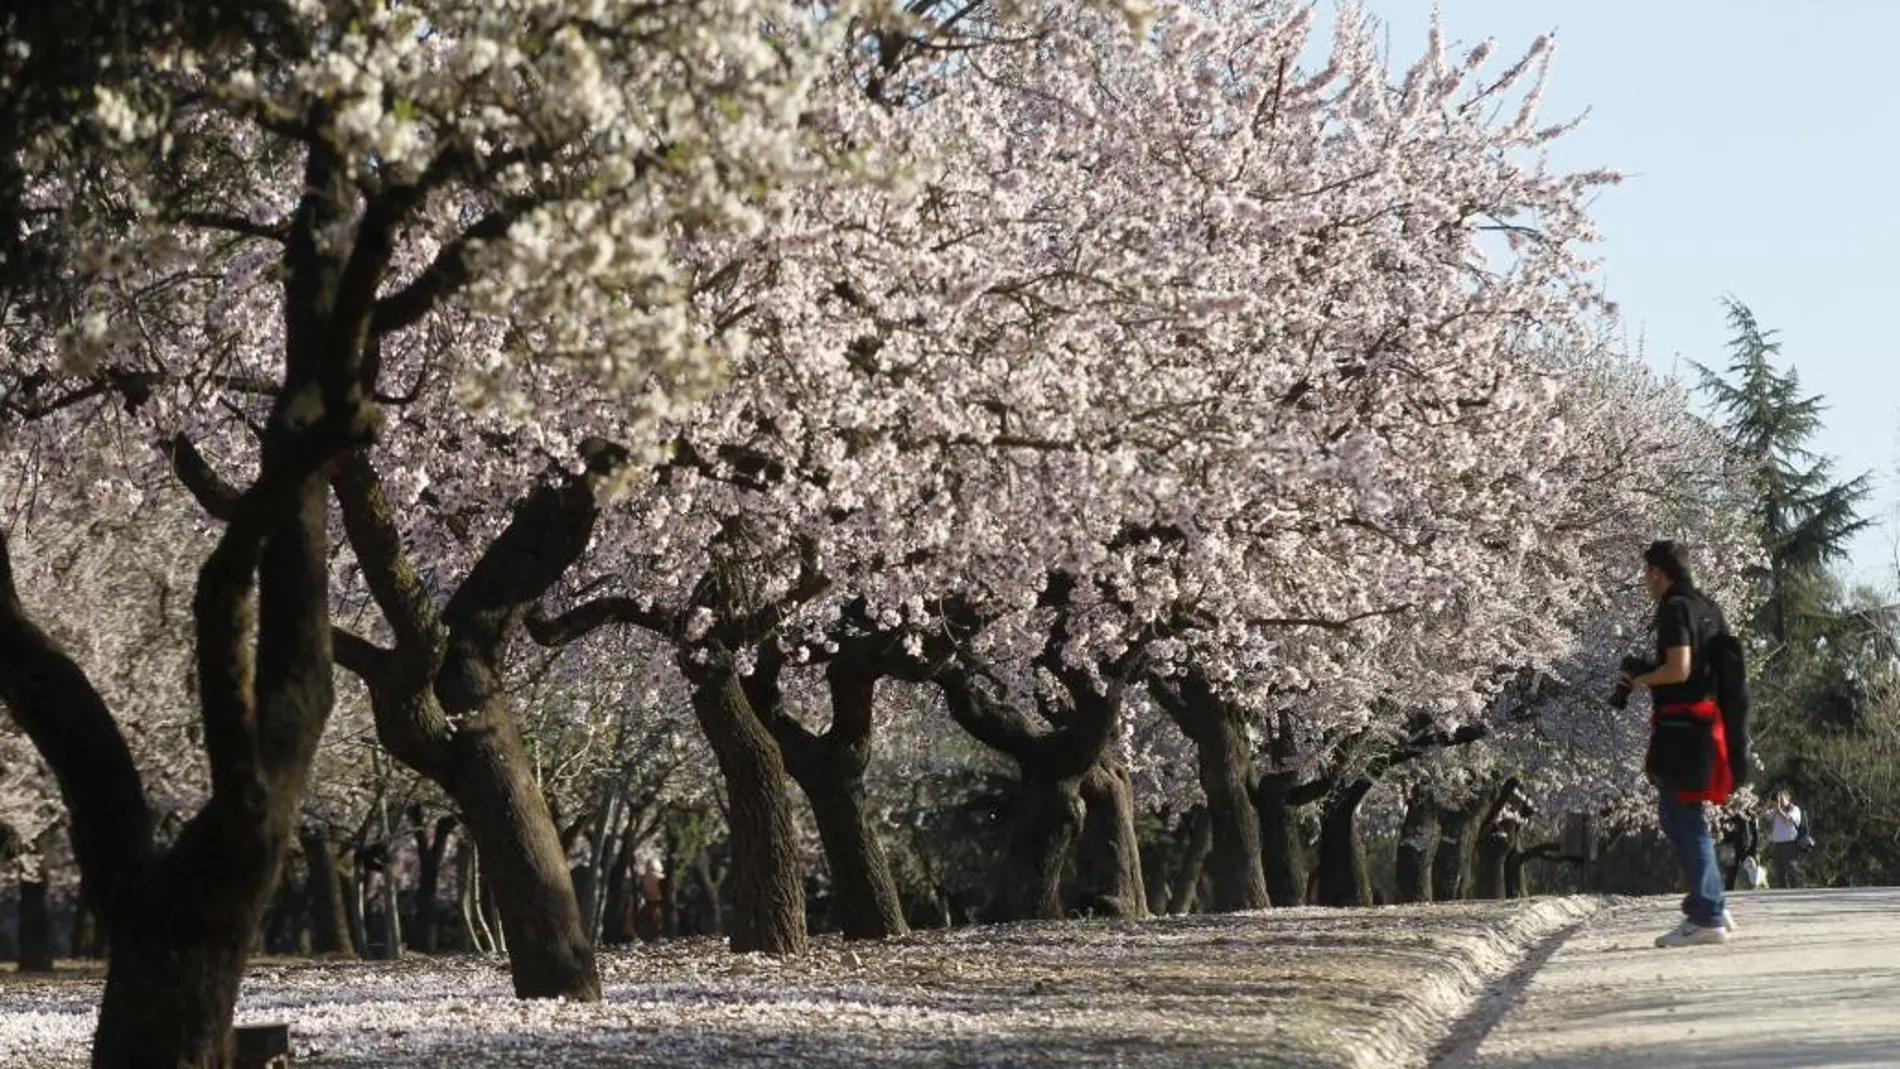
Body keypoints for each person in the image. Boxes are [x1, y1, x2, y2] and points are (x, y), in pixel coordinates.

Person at [1624, 539, 1735, 947]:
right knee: (1682, 814)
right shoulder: (1708, 607)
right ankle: (1714, 904)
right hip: (1709, 718)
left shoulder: (1673, 608)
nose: (1645, 582)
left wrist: (1641, 680)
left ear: (1657, 572)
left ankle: (1707, 913)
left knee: (1681, 814)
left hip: (1682, 724)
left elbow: (1678, 668)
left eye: (1646, 574)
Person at [1768, 788, 1805, 889]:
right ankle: (1782, 889)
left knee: (1791, 868)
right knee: (1779, 869)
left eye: (1781, 799)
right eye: (1777, 799)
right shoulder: (1775, 810)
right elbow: (1763, 815)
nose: (1779, 801)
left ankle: (1795, 888)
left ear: (1788, 798)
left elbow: (1787, 819)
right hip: (1777, 843)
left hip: (1790, 843)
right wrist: (1769, 803)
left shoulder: (1794, 809)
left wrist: (1778, 810)